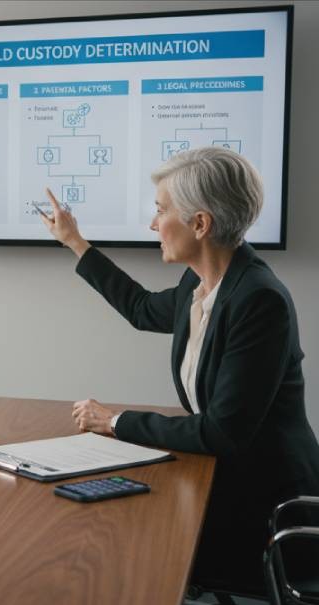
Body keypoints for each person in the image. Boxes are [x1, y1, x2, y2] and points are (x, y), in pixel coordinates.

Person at [38, 146, 319, 594]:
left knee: (131, 560)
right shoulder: (202, 283)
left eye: (160, 210)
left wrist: (115, 422)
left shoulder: (258, 301)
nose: (153, 224)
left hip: (262, 505)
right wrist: (75, 242)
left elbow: (223, 432)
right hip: (226, 481)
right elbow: (141, 308)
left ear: (200, 224)